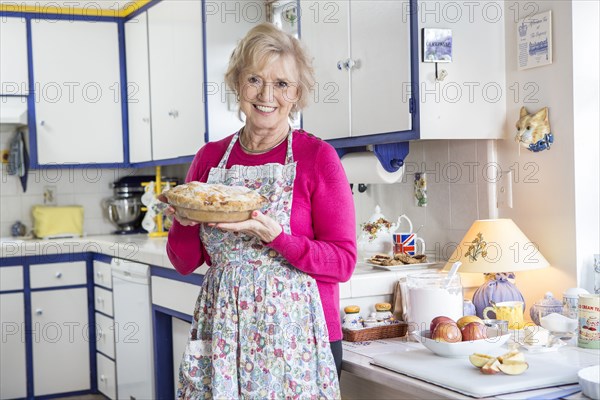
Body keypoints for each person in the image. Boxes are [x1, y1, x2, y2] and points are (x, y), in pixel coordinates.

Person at [164, 22, 356, 399]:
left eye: (282, 84)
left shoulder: (317, 158)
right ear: (238, 84)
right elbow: (184, 262)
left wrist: (276, 237)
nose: (267, 95)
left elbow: (343, 262)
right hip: (222, 334)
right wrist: (185, 220)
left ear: (297, 93)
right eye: (255, 79)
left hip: (298, 336)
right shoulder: (208, 159)